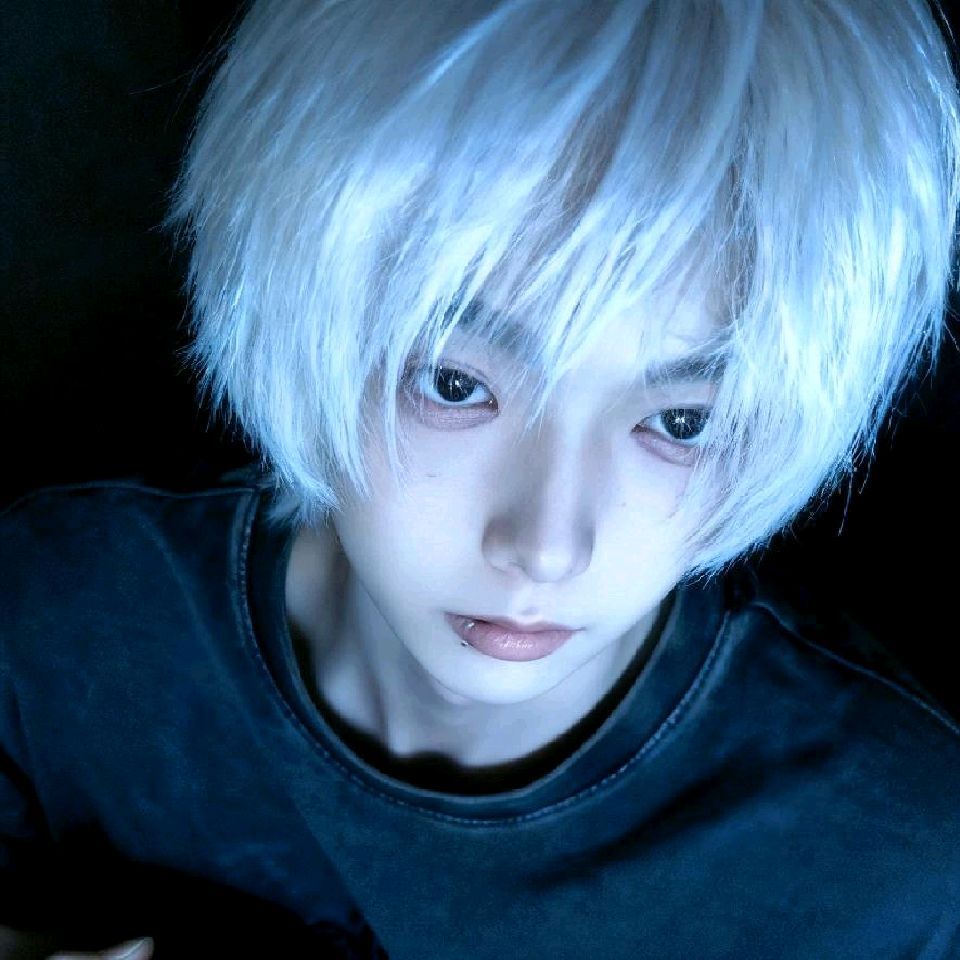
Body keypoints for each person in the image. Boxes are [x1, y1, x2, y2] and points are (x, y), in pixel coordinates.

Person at [3, 0, 960, 957]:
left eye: (681, 422)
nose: (546, 546)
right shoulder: (59, 626)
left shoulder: (892, 864)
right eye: (455, 385)